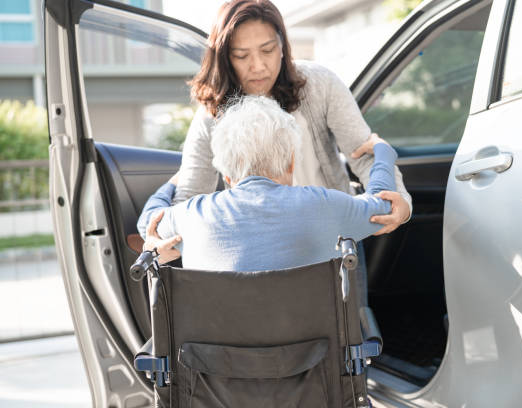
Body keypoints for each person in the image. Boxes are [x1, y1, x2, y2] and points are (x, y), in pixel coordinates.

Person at [174, 0, 412, 233]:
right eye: (241, 55)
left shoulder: (319, 83)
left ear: (282, 47)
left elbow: (363, 153)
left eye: (267, 50)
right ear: (225, 58)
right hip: (260, 248)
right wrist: (163, 234)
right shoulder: (211, 113)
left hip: (334, 235)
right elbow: (189, 196)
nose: (257, 66)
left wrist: (399, 203)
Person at [137, 96, 398, 271]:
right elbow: (383, 206)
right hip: (314, 351)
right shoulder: (324, 205)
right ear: (291, 164)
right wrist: (383, 152)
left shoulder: (192, 215)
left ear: (227, 176)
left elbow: (148, 222)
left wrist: (174, 182)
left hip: (216, 353)